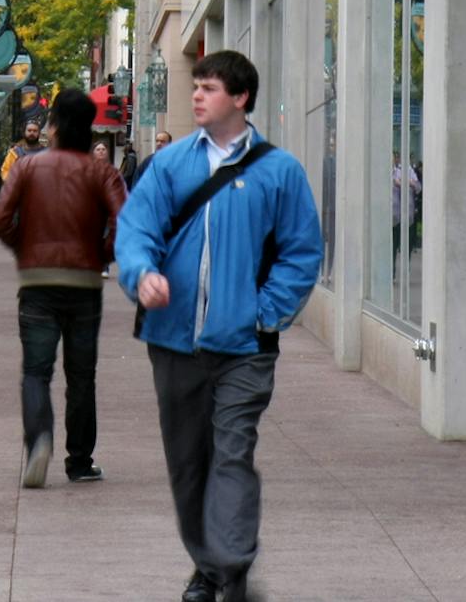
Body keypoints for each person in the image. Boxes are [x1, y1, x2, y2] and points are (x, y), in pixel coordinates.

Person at [117, 50, 321, 602]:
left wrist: (265, 313)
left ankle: (230, 567)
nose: (197, 96)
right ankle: (209, 566)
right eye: (196, 86)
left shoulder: (280, 171)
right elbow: (135, 230)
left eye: (209, 88)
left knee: (232, 454)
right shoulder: (169, 165)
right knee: (188, 465)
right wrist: (142, 274)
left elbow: (302, 253)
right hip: (173, 341)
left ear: (241, 97)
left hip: (244, 348)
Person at [0, 88, 129, 488]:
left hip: (38, 281)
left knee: (36, 372)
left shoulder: (27, 167)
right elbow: (125, 221)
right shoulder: (102, 172)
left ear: (52, 126)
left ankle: (39, 440)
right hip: (84, 281)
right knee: (81, 375)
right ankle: (80, 461)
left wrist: (25, 248)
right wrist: (100, 253)